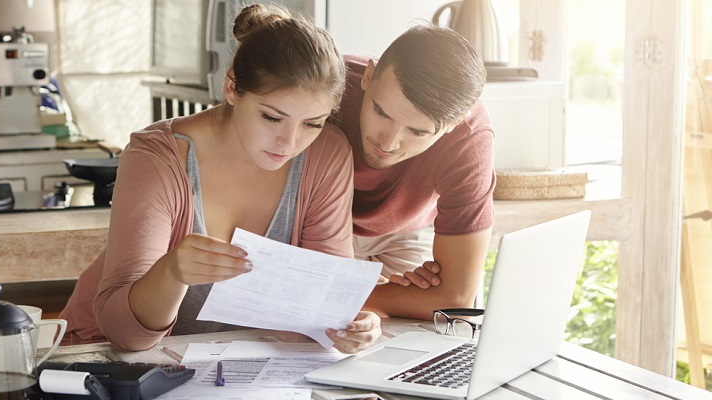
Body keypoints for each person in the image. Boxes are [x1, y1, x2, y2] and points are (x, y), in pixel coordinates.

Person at [59, 4, 380, 354]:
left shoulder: (326, 154)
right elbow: (126, 336)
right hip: (103, 355)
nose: (289, 143)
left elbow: (320, 307)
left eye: (312, 123)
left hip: (232, 362)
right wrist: (171, 272)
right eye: (272, 118)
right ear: (232, 88)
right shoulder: (155, 157)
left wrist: (350, 325)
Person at [329, 25, 495, 320]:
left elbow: (455, 300)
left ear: (455, 123)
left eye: (417, 131)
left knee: (418, 333)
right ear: (368, 76)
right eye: (381, 112)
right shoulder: (326, 84)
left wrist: (345, 293)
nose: (387, 143)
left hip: (404, 231)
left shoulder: (470, 139)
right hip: (318, 224)